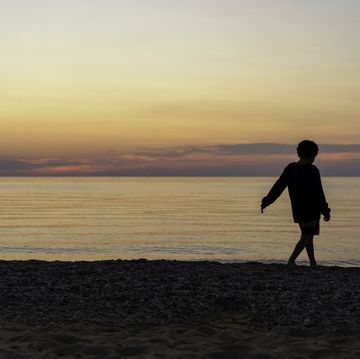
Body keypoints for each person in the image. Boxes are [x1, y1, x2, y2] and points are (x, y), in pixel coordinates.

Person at [261, 140, 331, 266]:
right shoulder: (312, 170)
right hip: (311, 209)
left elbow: (278, 186)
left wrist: (267, 201)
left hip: (298, 209)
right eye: (315, 155)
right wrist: (325, 210)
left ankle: (312, 262)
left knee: (308, 236)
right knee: (306, 236)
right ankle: (291, 260)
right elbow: (318, 192)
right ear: (313, 154)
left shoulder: (291, 168)